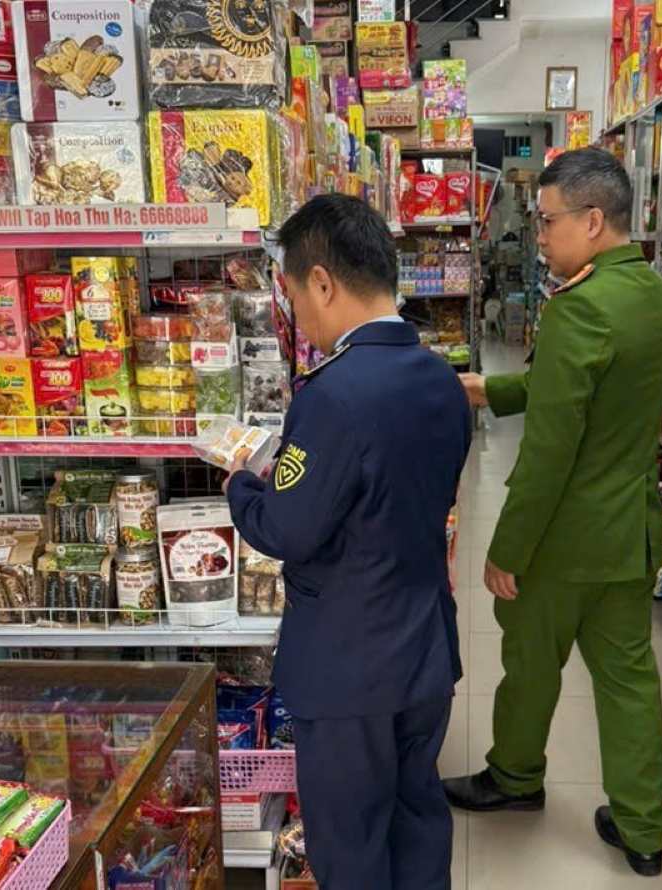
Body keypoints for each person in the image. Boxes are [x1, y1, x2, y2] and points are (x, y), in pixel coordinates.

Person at [441, 147, 662, 878]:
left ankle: (515, 778)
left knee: (531, 665)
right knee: (628, 680)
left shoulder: (580, 310)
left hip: (560, 541)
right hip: (629, 536)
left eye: (547, 222)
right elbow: (588, 397)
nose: (539, 235)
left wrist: (506, 550)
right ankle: (643, 830)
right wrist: (493, 390)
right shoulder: (656, 296)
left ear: (593, 218)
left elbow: (549, 453)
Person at [225, 194, 472, 890]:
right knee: (418, 816)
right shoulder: (441, 380)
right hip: (424, 649)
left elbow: (287, 528)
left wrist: (244, 484)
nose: (296, 312)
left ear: (324, 281)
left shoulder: (331, 395)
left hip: (347, 663)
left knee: (350, 841)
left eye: (295, 292)